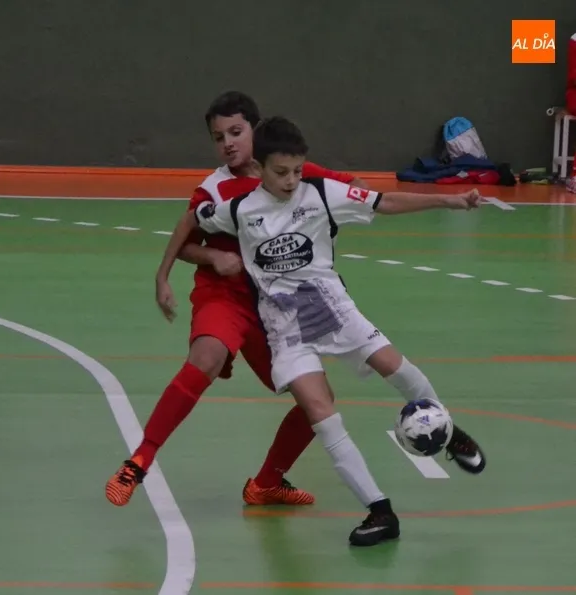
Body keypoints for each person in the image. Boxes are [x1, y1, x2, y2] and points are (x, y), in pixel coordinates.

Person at [153, 115, 486, 546]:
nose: (292, 180)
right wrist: (165, 273)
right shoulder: (238, 210)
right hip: (285, 328)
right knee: (320, 414)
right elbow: (191, 221)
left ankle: (449, 432)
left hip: (333, 310)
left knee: (396, 368)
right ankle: (380, 512)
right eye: (281, 172)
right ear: (259, 168)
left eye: (297, 170)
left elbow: (384, 202)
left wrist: (451, 201)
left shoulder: (322, 193)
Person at [105, 91, 366, 509]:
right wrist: (202, 260)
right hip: (224, 295)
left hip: (275, 307)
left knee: (317, 402)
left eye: (235, 132)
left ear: (255, 131)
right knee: (206, 356)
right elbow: (185, 237)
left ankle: (266, 484)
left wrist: (328, 222)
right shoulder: (214, 189)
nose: (227, 143)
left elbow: (352, 187)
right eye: (218, 137)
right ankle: (139, 461)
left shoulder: (285, 169)